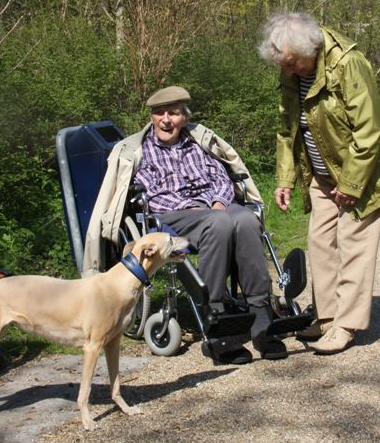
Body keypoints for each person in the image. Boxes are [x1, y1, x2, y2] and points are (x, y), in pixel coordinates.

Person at [82, 86, 288, 364]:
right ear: (152, 117)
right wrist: (196, 209)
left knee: (246, 220)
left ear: (185, 118)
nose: (166, 120)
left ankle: (261, 317)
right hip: (172, 215)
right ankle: (215, 318)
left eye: (174, 113)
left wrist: (218, 202)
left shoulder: (198, 143)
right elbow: (150, 194)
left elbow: (221, 177)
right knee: (218, 223)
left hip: (214, 207)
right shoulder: (140, 151)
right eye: (159, 113)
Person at [258, 12, 380, 354]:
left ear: (311, 49)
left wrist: (351, 183)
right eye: (283, 65)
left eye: (292, 63)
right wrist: (285, 179)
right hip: (322, 171)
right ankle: (327, 317)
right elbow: (287, 127)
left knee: (354, 242)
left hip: (362, 170)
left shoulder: (349, 63)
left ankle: (346, 324)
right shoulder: (291, 68)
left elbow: (369, 130)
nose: (289, 71)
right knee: (319, 241)